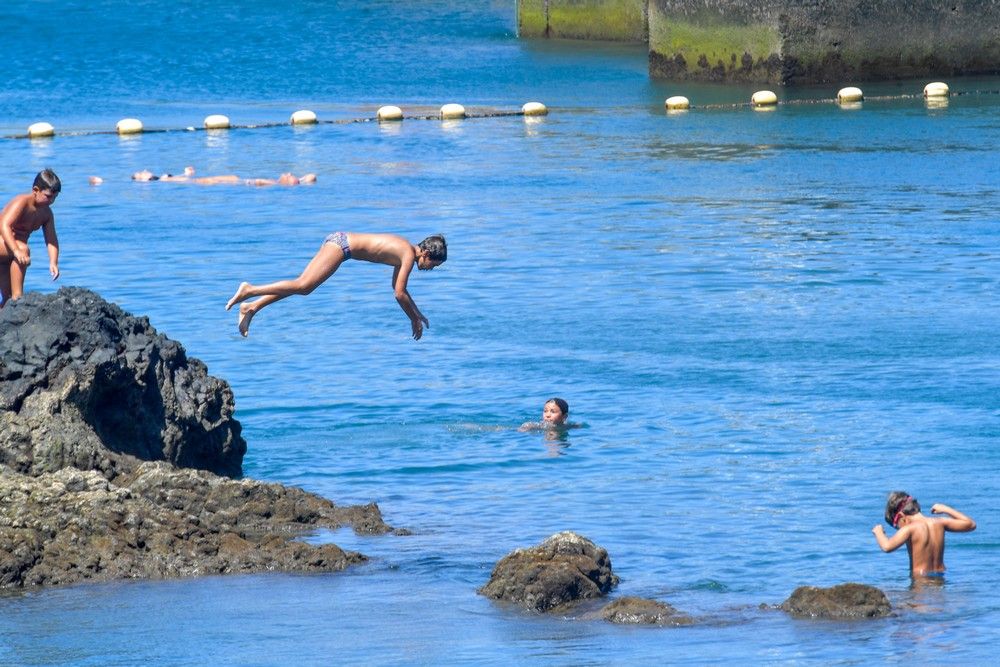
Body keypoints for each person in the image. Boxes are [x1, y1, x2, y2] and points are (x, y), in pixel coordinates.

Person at [225, 232, 447, 339]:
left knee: (300, 286)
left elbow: (398, 289)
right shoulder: (407, 254)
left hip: (340, 243)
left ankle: (251, 307)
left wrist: (418, 314)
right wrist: (413, 319)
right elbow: (399, 294)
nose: (429, 269)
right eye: (432, 265)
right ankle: (249, 290)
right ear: (426, 254)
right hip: (341, 247)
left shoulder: (405, 249)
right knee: (303, 286)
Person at [872, 491, 976, 577]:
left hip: (921, 579)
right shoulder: (939, 522)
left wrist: (879, 532)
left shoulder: (909, 529)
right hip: (941, 575)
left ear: (901, 517)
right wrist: (945, 509)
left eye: (896, 525)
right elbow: (970, 524)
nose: (899, 528)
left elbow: (887, 547)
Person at [0, 169, 61, 305]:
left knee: (6, 298)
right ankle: (18, 299)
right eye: (48, 196)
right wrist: (16, 250)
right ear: (35, 190)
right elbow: (4, 225)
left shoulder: (47, 214)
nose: (51, 201)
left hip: (8, 256)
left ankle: (9, 308)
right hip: (4, 244)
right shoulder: (22, 202)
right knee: (23, 249)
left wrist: (53, 262)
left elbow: (51, 240)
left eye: (55, 198)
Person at [132, 168, 316, 186]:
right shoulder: (277, 183)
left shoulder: (276, 183)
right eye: (141, 172)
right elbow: (310, 176)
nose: (288, 173)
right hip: (240, 182)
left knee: (198, 181)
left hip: (240, 182)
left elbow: (311, 176)